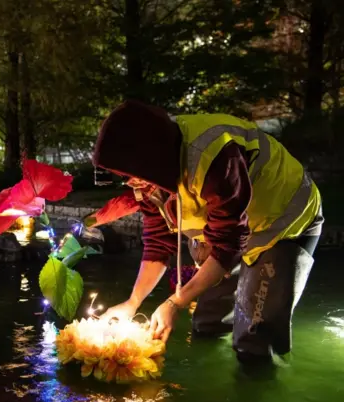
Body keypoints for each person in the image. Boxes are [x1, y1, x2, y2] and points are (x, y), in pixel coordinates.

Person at [94, 100, 323, 364]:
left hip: (283, 224)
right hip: (228, 230)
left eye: (131, 175)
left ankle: (258, 389)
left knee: (254, 342)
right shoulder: (150, 179)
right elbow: (159, 242)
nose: (130, 183)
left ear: (151, 160)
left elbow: (228, 244)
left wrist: (174, 303)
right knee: (206, 324)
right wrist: (133, 302)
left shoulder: (215, 158)